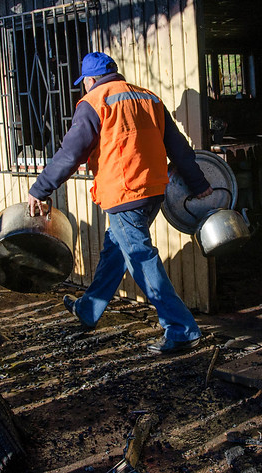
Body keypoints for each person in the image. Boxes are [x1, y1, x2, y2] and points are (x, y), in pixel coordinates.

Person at [27, 52, 212, 355]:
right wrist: (199, 183)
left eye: (84, 82)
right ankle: (88, 309)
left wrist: (40, 188)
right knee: (115, 250)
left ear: (90, 79)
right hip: (153, 192)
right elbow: (178, 147)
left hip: (125, 195)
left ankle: (181, 330)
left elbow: (71, 153)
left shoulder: (94, 102)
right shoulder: (148, 98)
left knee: (140, 258)